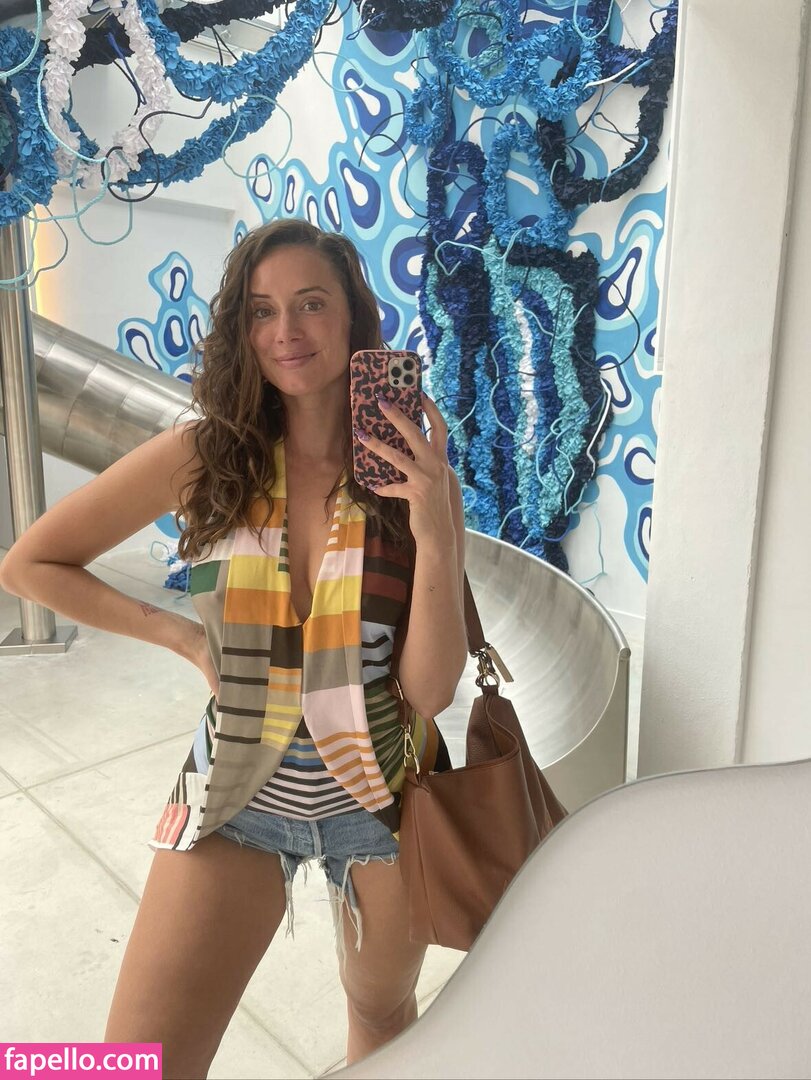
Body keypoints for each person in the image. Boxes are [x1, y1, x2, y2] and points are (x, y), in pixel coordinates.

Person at [0, 218, 468, 1078]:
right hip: (233, 794)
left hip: (387, 806)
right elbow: (31, 564)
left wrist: (436, 531)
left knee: (379, 1016)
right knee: (136, 1060)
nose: (285, 331)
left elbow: (430, 693)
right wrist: (179, 635)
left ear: (353, 318)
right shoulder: (206, 455)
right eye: (261, 310)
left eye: (311, 304)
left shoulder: (409, 476)